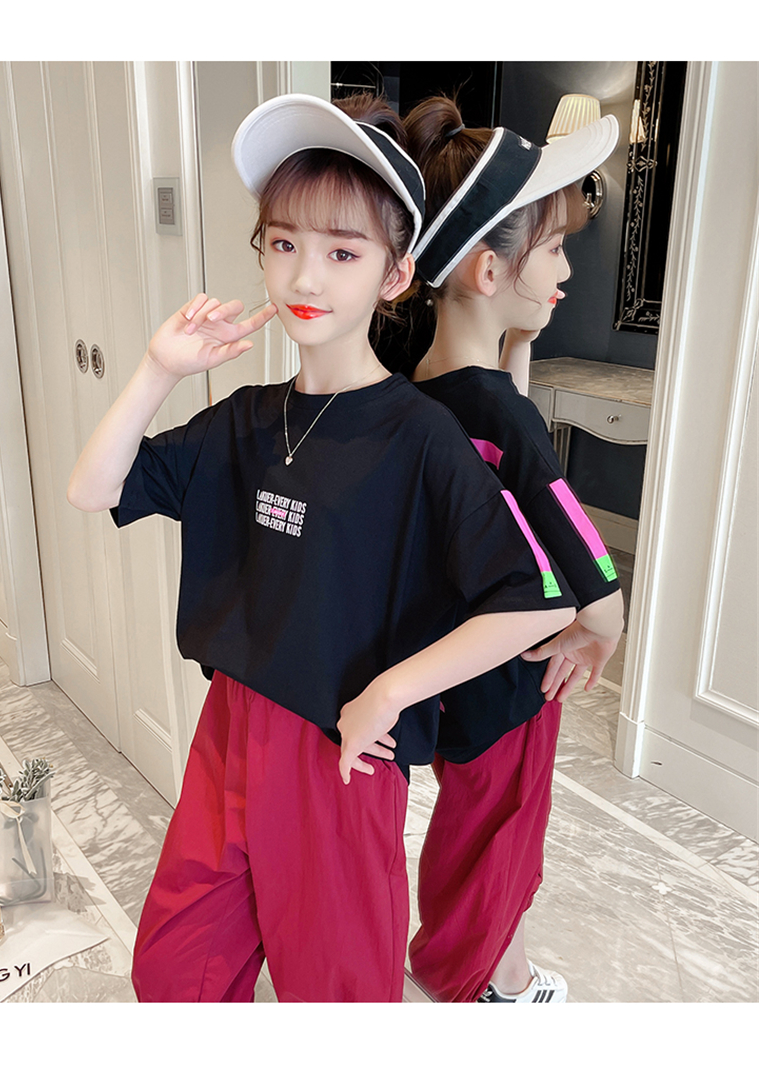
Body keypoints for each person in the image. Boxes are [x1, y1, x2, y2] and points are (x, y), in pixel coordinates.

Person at [67, 92, 577, 1003]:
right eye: (283, 243)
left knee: (336, 992)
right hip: (229, 733)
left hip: (338, 755)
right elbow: (93, 489)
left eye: (343, 252)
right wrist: (158, 370)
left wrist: (391, 691)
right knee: (175, 972)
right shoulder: (243, 421)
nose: (305, 275)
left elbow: (535, 601)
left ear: (394, 275)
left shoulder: (422, 438)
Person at [401, 95, 625, 1003]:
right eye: (556, 246)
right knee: (502, 832)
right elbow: (588, 569)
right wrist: (599, 630)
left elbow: (500, 434)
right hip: (516, 675)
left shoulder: (420, 392)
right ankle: (482, 984)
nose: (567, 266)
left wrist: (517, 342)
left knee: (475, 819)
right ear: (490, 269)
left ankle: (496, 967)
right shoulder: (506, 418)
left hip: (456, 664)